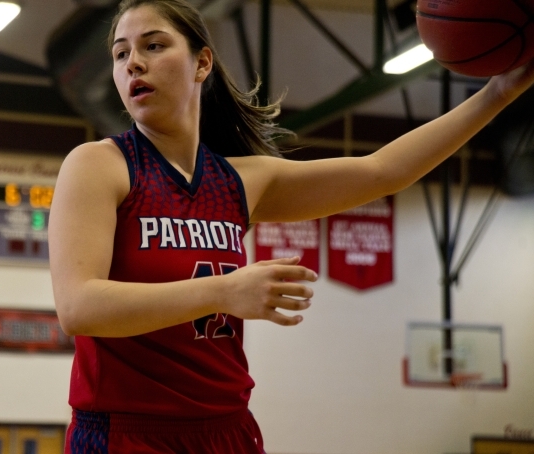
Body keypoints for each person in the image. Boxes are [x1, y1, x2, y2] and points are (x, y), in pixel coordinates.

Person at [48, 0, 534, 451]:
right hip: (127, 430)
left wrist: (497, 93)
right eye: (120, 53)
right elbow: (79, 306)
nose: (133, 62)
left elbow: (384, 171)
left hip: (227, 427)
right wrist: (223, 292)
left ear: (202, 63)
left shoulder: (239, 180)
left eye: (153, 45)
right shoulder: (100, 165)